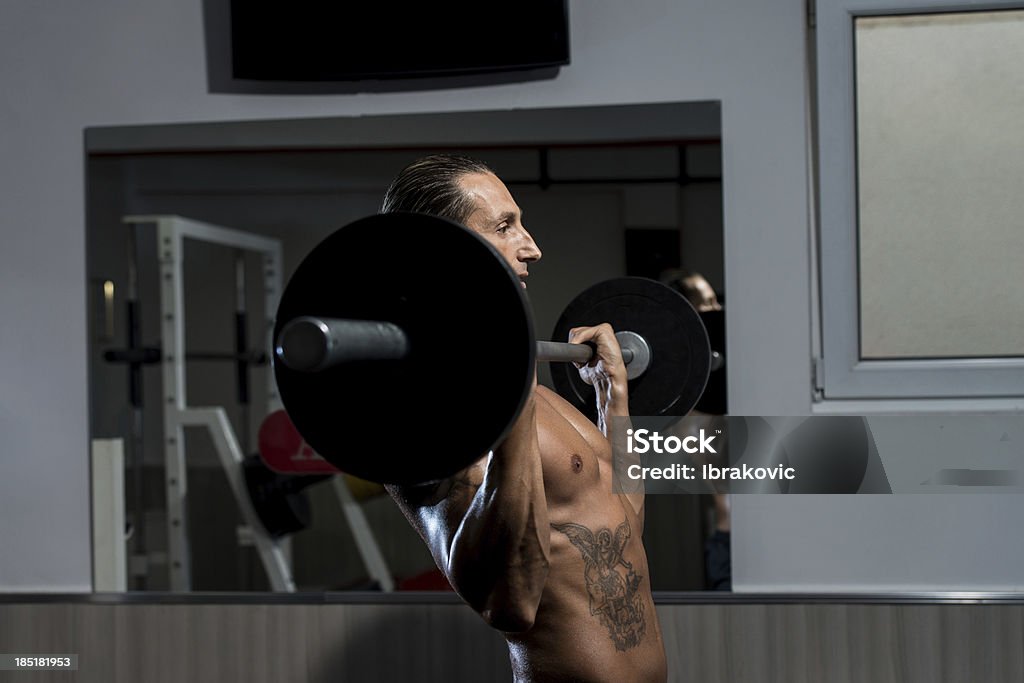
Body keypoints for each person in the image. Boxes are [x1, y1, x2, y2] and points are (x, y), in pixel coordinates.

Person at [380, 154, 667, 682]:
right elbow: (509, 603)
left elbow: (624, 529)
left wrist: (613, 403)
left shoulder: (540, 396)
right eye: (504, 226)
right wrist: (509, 383)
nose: (531, 245)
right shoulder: (430, 414)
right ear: (444, 250)